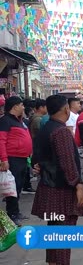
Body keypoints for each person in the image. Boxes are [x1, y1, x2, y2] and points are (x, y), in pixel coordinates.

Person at [31, 95, 83, 265]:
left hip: (48, 188)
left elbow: (37, 157)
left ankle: (53, 262)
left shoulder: (46, 128)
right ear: (66, 109)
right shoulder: (61, 131)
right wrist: (78, 185)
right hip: (61, 191)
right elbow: (67, 162)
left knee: (54, 229)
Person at [0, 96, 33, 225]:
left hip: (22, 158)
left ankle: (16, 211)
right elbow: (1, 141)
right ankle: (12, 213)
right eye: (21, 105)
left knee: (18, 185)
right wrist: (4, 159)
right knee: (12, 187)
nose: (23, 107)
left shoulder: (19, 121)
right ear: (15, 107)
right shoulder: (5, 121)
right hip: (12, 159)